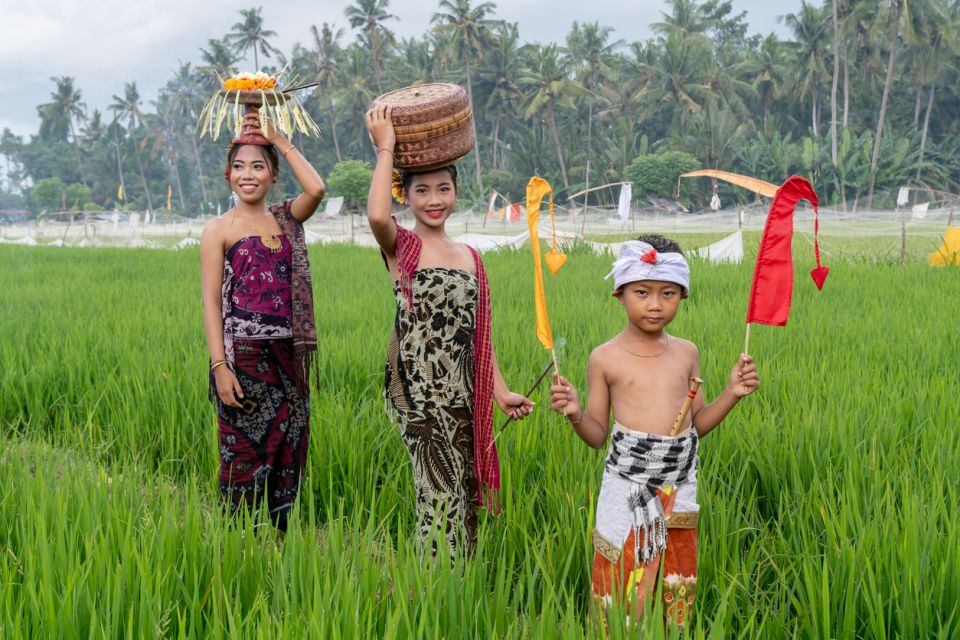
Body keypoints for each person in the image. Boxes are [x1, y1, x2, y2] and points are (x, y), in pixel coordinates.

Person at [549, 235, 759, 627]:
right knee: (617, 567)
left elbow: (696, 427)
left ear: (683, 295)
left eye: (669, 293)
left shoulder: (687, 352)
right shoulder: (605, 357)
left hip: (679, 482)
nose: (655, 304)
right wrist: (575, 412)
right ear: (620, 293)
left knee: (677, 572)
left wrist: (732, 393)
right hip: (626, 486)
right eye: (642, 292)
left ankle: (672, 631)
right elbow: (597, 437)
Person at [364, 104, 534, 560]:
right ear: (407, 196)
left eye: (443, 188)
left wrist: (500, 392)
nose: (434, 199)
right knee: (437, 495)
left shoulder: (470, 256)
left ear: (457, 192)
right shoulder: (404, 246)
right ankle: (433, 593)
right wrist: (386, 149)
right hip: (416, 393)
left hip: (462, 393)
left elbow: (479, 337)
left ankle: (458, 591)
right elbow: (377, 217)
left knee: (463, 495)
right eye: (422, 190)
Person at [200, 111, 326, 532]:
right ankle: (239, 549)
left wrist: (280, 139)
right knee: (244, 455)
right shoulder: (219, 228)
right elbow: (211, 303)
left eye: (258, 166)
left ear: (273, 174)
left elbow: (317, 188)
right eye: (239, 166)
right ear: (227, 175)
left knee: (288, 449)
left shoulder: (286, 217)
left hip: (287, 356)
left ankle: (279, 543)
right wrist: (220, 367)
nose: (247, 175)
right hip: (245, 359)